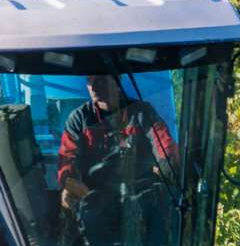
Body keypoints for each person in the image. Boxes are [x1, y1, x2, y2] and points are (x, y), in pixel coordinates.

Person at [57, 73, 178, 216]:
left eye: (100, 79)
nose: (93, 87)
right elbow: (67, 159)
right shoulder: (78, 120)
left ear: (118, 80)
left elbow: (164, 142)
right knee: (67, 197)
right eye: (89, 80)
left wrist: (168, 164)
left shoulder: (143, 113)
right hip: (96, 202)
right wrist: (70, 181)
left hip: (141, 198)